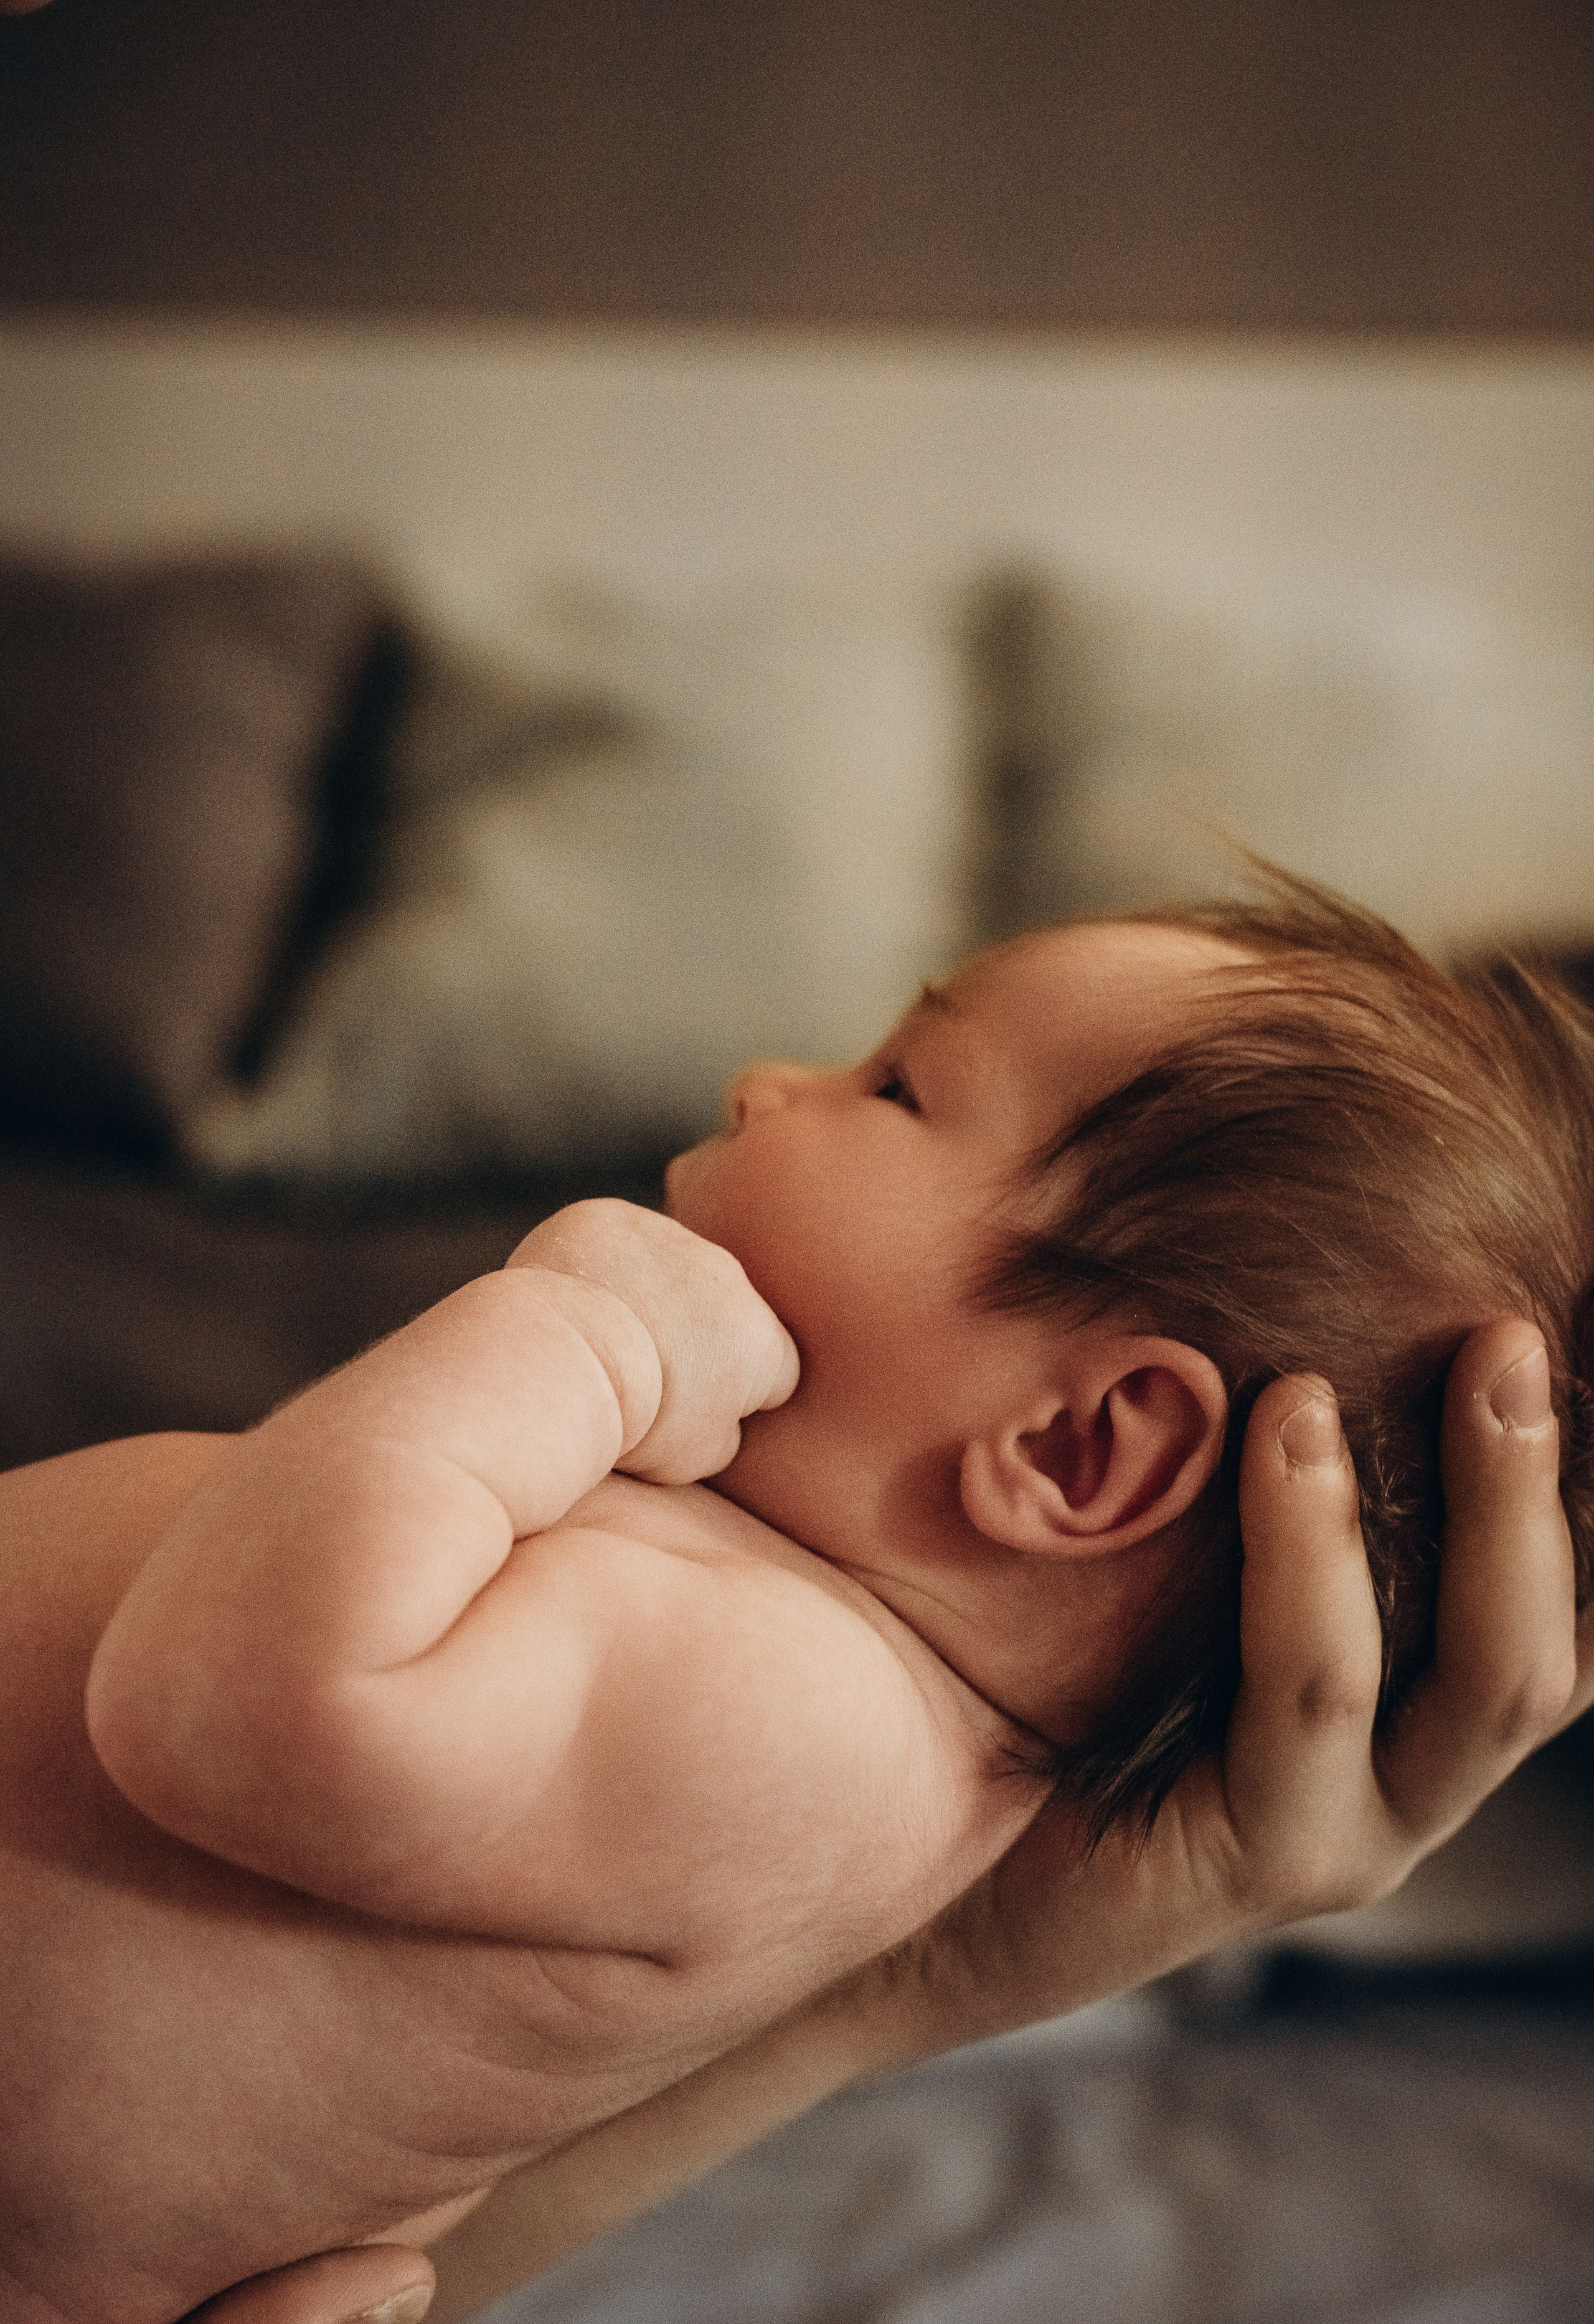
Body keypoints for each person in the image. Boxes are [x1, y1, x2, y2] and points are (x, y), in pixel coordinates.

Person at [13, 884, 1590, 2320]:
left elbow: (237, 1706)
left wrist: (573, 1339)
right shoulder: (765, 1629)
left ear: (1076, 1445)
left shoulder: (799, 1709)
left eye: (896, 1087)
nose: (762, 1078)